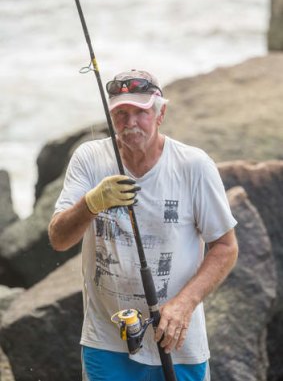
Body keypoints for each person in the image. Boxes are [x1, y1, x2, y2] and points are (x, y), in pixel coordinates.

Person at [48, 69, 238, 381]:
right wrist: (91, 203)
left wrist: (184, 305)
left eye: (141, 112)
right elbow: (59, 238)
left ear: (160, 113)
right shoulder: (89, 158)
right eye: (121, 113)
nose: (131, 122)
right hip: (107, 341)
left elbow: (226, 246)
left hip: (177, 341)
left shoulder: (194, 165)